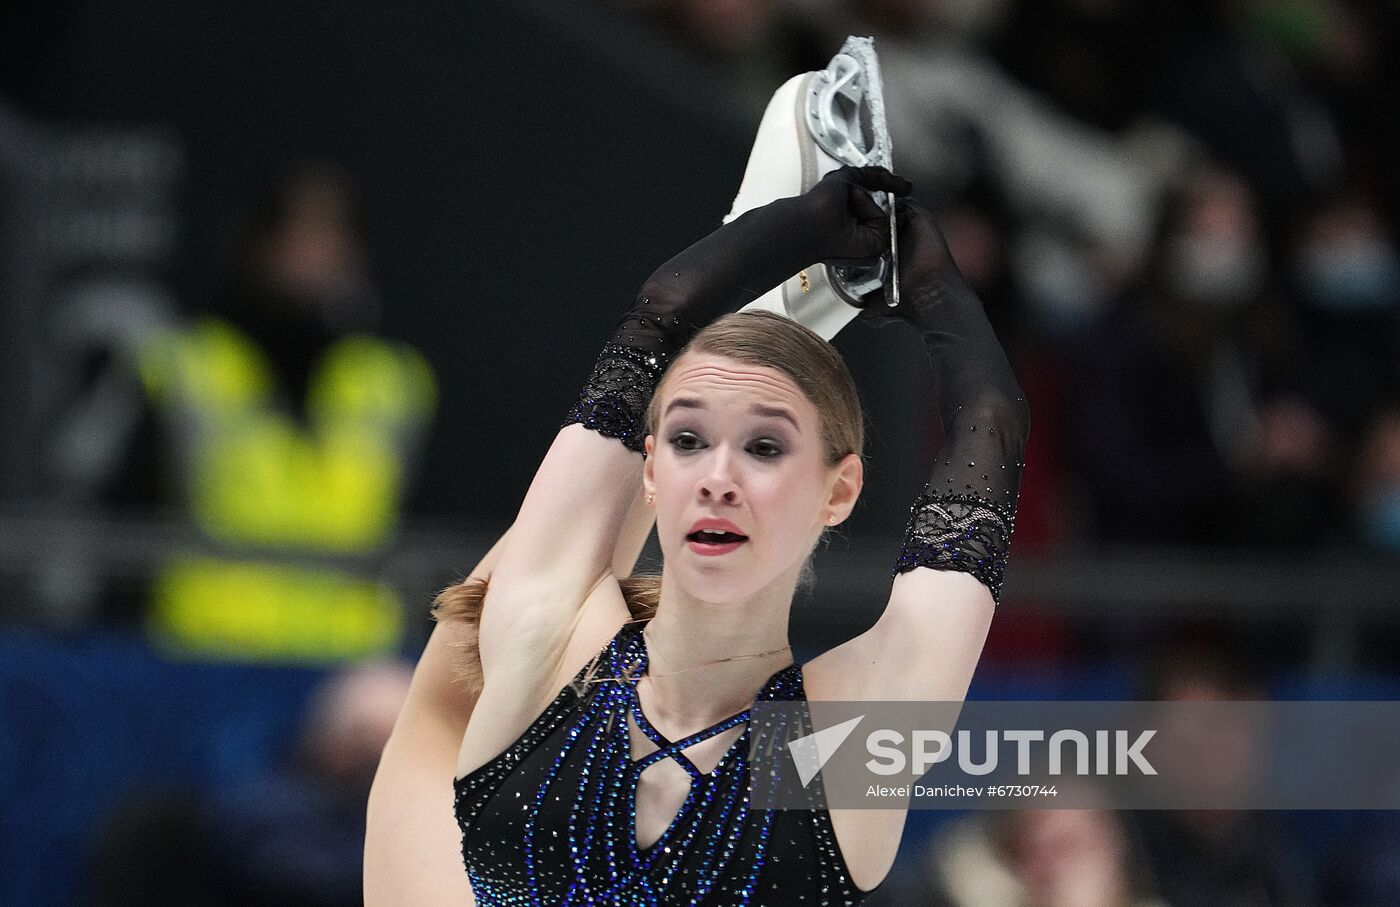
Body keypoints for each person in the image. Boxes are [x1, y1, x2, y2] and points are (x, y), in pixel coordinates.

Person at [365, 165, 1030, 904]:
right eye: (687, 440)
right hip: (463, 813)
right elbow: (658, 314)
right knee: (459, 664)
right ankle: (756, 334)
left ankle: (755, 336)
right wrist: (790, 223)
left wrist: (937, 291)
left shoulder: (821, 749)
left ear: (839, 492)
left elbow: (990, 423)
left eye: (765, 447)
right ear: (651, 470)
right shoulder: (557, 646)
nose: (718, 477)